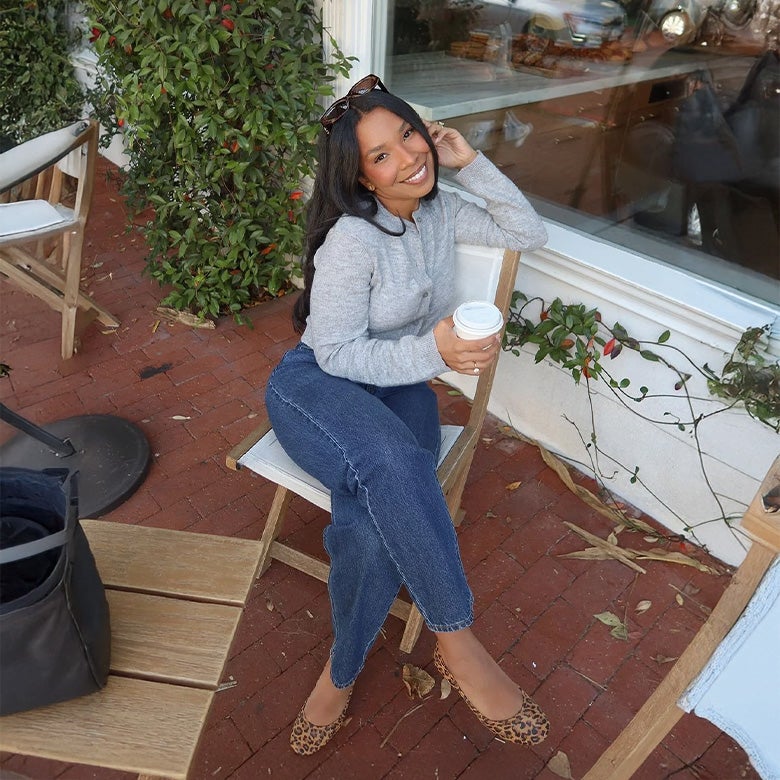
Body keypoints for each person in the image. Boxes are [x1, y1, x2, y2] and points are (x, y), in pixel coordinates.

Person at [264, 74, 550, 756]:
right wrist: (434, 349)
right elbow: (332, 353)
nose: (407, 157)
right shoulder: (353, 243)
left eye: (408, 137)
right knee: (395, 461)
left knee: (367, 521)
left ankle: (340, 672)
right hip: (316, 389)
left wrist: (470, 162)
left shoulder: (442, 209)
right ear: (359, 176)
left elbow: (527, 231)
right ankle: (457, 639)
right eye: (381, 155)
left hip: (401, 391)